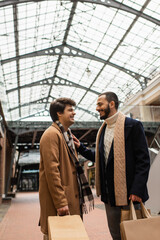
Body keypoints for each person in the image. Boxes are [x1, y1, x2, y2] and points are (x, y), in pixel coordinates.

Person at [73, 91, 150, 240]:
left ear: (112, 104)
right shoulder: (103, 130)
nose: (97, 108)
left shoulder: (132, 126)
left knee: (135, 235)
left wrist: (137, 190)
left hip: (130, 195)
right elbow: (101, 158)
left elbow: (143, 160)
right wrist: (81, 148)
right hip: (110, 197)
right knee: (116, 235)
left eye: (100, 104)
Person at [39, 98, 94, 240]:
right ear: (59, 113)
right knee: (57, 235)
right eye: (70, 110)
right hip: (60, 204)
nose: (74, 113)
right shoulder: (51, 134)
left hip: (70, 200)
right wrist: (61, 202)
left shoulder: (67, 135)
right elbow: (52, 172)